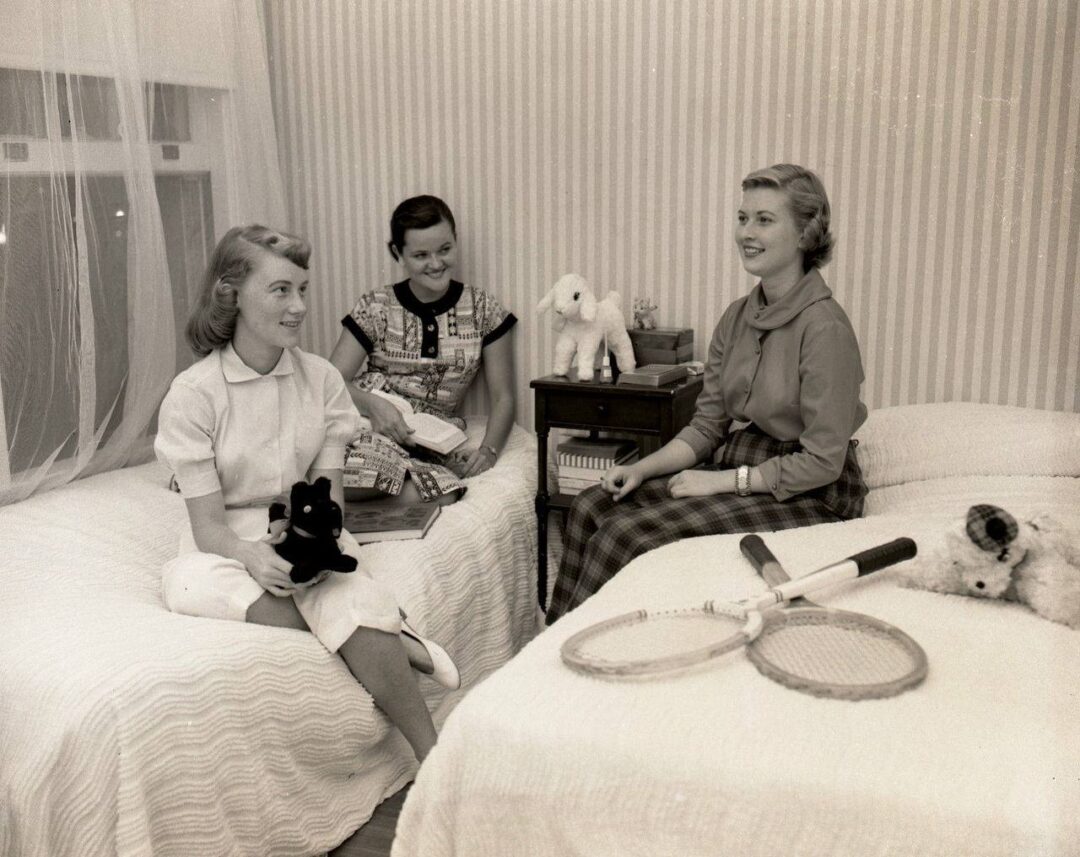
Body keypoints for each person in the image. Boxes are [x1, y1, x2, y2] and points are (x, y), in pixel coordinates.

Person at [155, 224, 458, 763]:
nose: (298, 307)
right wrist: (255, 557)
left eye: (302, 289)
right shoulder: (193, 394)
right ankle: (393, 633)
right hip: (228, 540)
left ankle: (433, 760)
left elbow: (331, 504)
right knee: (185, 585)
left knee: (335, 587)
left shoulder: (321, 381)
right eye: (280, 290)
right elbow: (208, 529)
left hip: (309, 527)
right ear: (232, 295)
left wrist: (313, 546)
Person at [547, 164, 869, 623]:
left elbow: (822, 461)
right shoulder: (737, 317)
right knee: (589, 506)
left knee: (626, 535)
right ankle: (558, 647)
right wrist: (640, 468)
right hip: (746, 461)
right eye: (743, 218)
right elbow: (706, 427)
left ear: (805, 233)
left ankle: (590, 651)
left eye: (764, 219)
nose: (746, 232)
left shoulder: (825, 328)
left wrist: (721, 481)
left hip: (813, 489)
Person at [328, 195, 517, 504]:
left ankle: (345, 506)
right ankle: (339, 498)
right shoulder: (375, 306)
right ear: (397, 253)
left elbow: (503, 397)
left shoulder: (484, 309)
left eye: (445, 249)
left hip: (431, 437)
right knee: (361, 470)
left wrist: (488, 451)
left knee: (445, 494)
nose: (436, 263)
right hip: (372, 421)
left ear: (455, 241)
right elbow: (330, 382)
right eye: (420, 255)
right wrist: (375, 406)